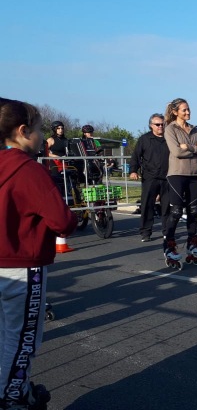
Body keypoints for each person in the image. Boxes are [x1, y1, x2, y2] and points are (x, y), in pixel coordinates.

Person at [0, 97, 78, 409]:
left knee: (5, 335)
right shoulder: (30, 171)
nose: (40, 137)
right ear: (22, 131)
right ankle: (12, 397)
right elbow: (62, 221)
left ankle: (10, 388)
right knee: (22, 340)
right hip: (24, 265)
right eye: (37, 129)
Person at [162, 98, 197, 264]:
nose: (188, 112)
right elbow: (176, 152)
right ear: (175, 112)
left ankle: (193, 243)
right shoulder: (170, 129)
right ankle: (168, 244)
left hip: (194, 174)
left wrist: (189, 147)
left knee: (194, 210)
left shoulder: (195, 130)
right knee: (176, 211)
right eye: (184, 110)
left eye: (188, 109)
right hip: (177, 173)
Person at [129, 113, 170, 242]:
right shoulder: (144, 139)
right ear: (151, 125)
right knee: (147, 205)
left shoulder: (169, 138)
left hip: (167, 178)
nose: (160, 127)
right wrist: (133, 170)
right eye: (157, 124)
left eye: (162, 124)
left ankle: (167, 231)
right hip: (150, 177)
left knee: (167, 206)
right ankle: (146, 232)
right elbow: (136, 156)